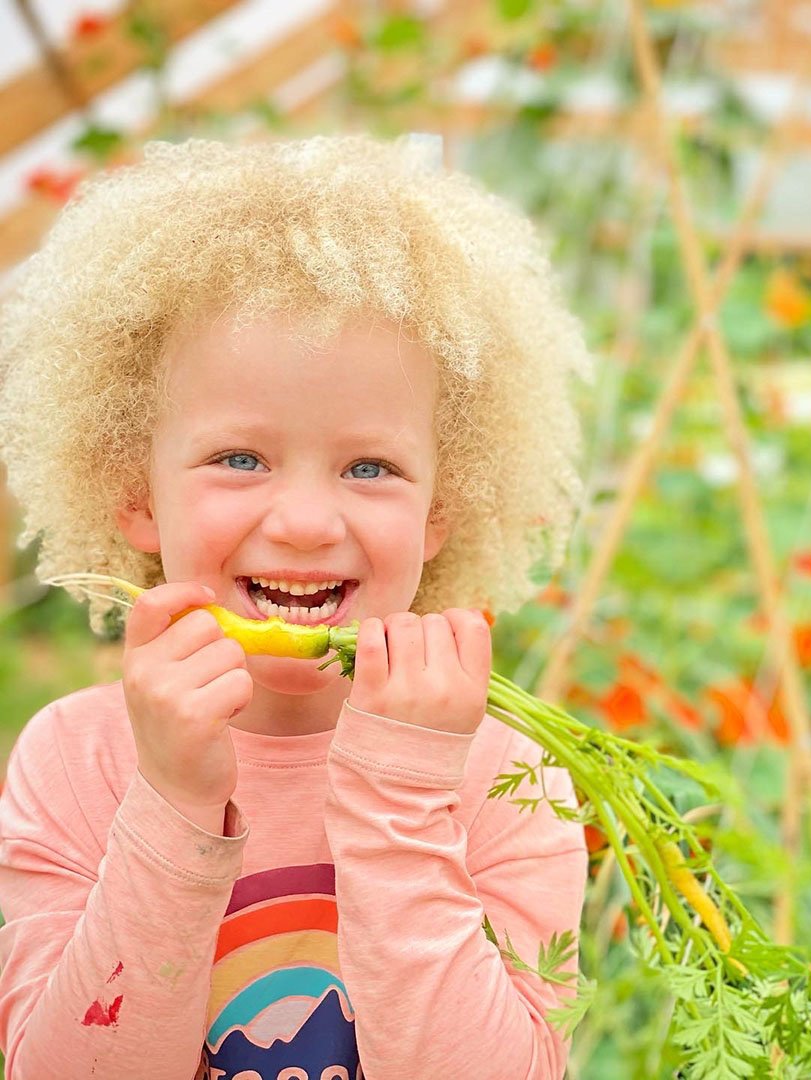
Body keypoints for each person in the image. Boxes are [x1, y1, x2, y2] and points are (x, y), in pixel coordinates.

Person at [0, 134, 591, 1080]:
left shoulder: (504, 782)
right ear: (136, 495)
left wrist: (403, 797)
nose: (310, 522)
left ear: (441, 514)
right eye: (240, 458)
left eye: (371, 467)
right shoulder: (78, 763)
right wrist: (173, 802)